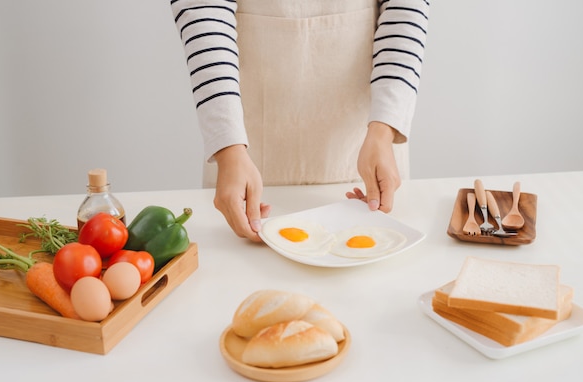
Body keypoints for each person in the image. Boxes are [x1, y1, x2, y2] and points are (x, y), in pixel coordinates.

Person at [170, 0, 430, 242]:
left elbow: (406, 6)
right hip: (243, 152)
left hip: (368, 144)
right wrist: (228, 148)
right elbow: (203, 11)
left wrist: (384, 130)